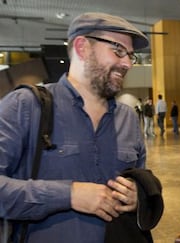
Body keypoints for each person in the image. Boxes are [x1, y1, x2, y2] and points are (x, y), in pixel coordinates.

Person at [0, 12, 163, 243]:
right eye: (117, 50)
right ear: (82, 47)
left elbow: (137, 176)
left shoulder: (127, 118)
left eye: (130, 55)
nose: (127, 63)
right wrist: (69, 195)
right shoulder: (25, 107)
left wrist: (137, 196)